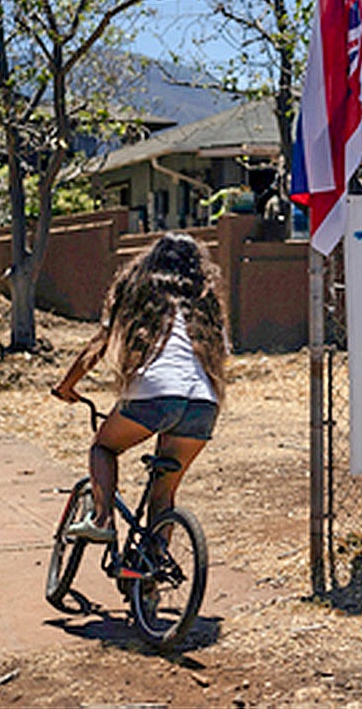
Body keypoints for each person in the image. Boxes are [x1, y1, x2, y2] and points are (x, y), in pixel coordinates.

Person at [52, 231, 228, 542]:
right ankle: (151, 575)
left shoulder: (138, 290)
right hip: (204, 401)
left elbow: (99, 345)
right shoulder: (204, 303)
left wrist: (67, 385)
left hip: (155, 393)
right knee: (164, 494)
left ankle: (102, 518)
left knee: (103, 447)